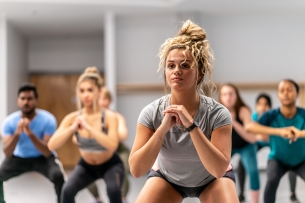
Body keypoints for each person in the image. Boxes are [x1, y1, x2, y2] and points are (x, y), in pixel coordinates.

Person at [129, 20, 239, 203]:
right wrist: (163, 129)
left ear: (200, 73)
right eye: (171, 66)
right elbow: (136, 170)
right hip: (168, 179)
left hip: (212, 180)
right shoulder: (151, 112)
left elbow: (219, 170)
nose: (176, 71)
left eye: (185, 65)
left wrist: (191, 127)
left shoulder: (218, 114)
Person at [48, 67, 124, 203]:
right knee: (67, 190)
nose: (86, 95)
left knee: (113, 191)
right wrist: (72, 128)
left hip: (110, 164)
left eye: (90, 90)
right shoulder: (73, 118)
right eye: (82, 91)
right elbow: (51, 145)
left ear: (99, 91)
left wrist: (89, 128)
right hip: (87, 166)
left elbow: (112, 145)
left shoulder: (109, 117)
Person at [0, 83, 65, 203]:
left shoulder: (48, 119)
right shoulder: (9, 121)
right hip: (19, 157)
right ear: (17, 101)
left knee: (58, 176)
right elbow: (7, 153)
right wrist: (17, 133)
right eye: (23, 98)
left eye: (30, 99)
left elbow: (47, 151)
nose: (26, 102)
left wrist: (30, 133)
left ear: (36, 101)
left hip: (42, 158)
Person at [246, 79, 305, 203]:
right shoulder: (271, 115)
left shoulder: (302, 114)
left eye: (289, 90)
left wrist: (299, 133)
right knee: (271, 180)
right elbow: (250, 127)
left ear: (297, 94)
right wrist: (279, 131)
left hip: (301, 160)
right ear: (278, 95)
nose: (285, 93)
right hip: (277, 159)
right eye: (282, 91)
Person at [87, 87, 130, 203]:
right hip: (99, 150)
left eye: (104, 98)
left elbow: (123, 135)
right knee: (85, 169)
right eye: (98, 99)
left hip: (118, 149)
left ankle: (122, 198)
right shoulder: (90, 117)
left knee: (123, 168)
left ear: (109, 101)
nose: (101, 102)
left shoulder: (117, 117)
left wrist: (106, 132)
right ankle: (97, 199)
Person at [218, 84, 260, 203]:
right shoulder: (217, 111)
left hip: (246, 145)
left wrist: (233, 121)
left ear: (236, 96)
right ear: (221, 97)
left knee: (253, 171)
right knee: (217, 170)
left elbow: (252, 138)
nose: (228, 97)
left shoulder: (243, 110)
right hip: (228, 147)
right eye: (225, 94)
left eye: (231, 94)